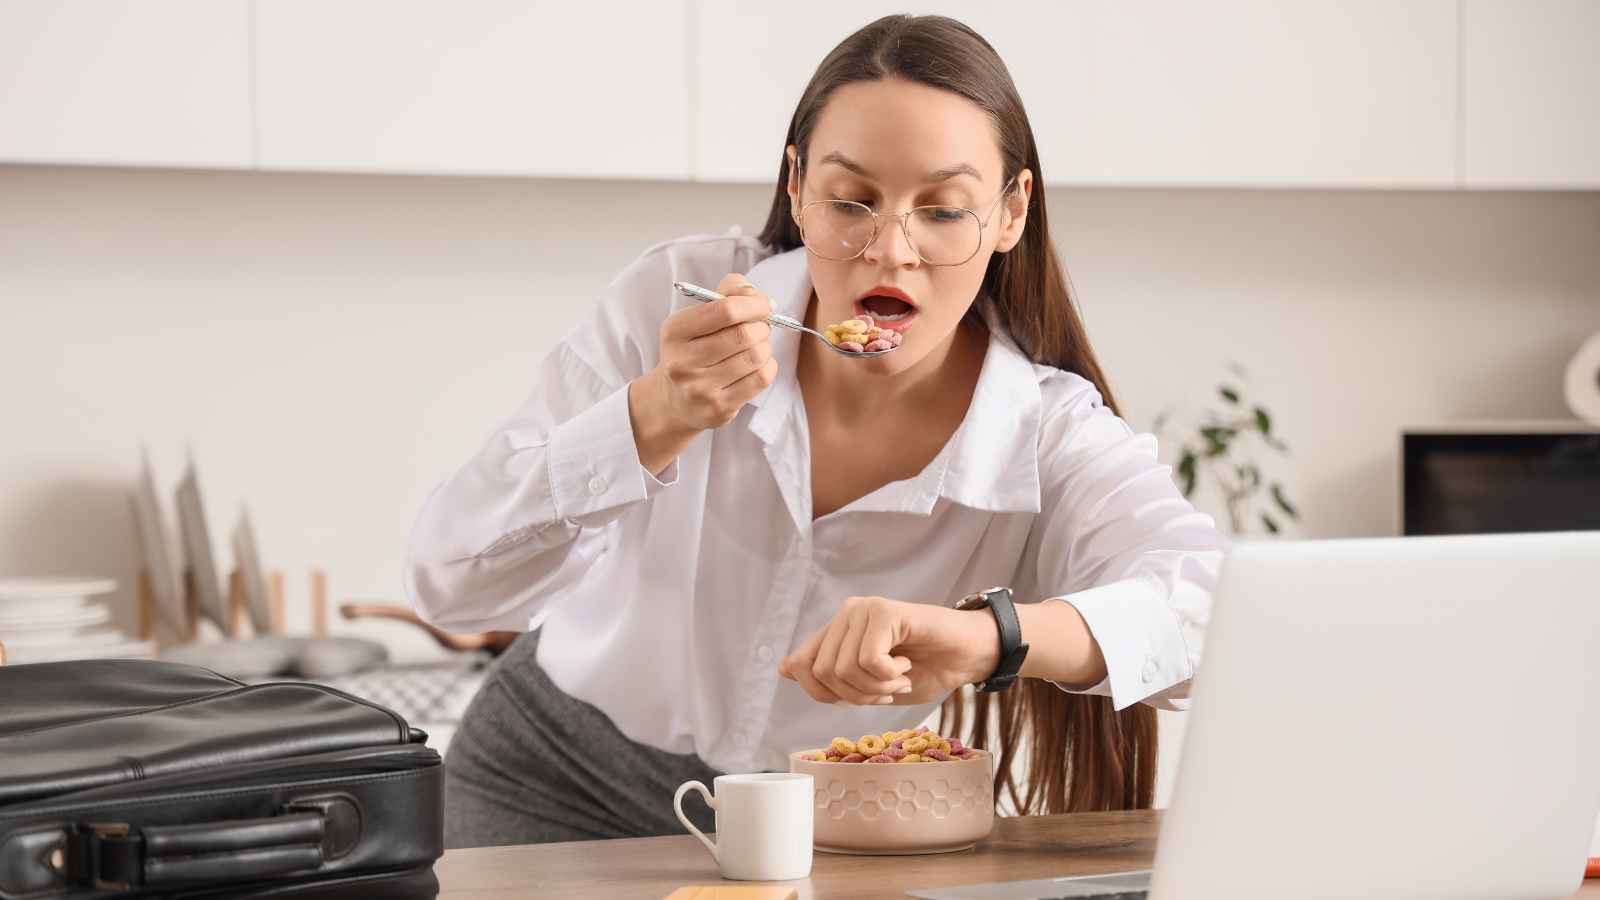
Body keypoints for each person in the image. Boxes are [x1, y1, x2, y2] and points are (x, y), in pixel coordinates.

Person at [405, 14, 1227, 849]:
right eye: (851, 201)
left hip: (835, 821)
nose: (890, 250)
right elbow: (449, 582)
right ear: (797, 185)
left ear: (1010, 213)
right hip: (545, 780)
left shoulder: (1045, 432)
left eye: (942, 210)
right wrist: (655, 416)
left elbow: (1208, 612)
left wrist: (991, 637)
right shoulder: (673, 303)